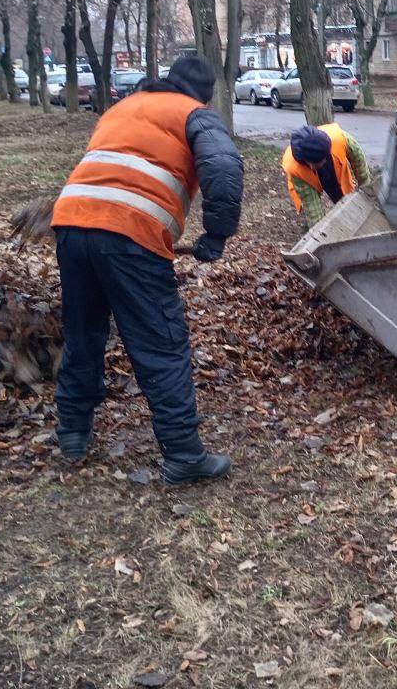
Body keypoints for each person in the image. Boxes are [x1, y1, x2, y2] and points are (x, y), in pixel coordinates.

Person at [50, 57, 244, 485]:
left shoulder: (124, 106)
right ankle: (183, 456)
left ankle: (72, 433)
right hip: (129, 234)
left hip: (71, 222)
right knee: (160, 341)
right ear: (204, 93)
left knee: (83, 332)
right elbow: (225, 168)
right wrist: (216, 235)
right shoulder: (194, 114)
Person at [282, 123, 371, 228]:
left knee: (344, 198)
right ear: (308, 162)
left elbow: (359, 162)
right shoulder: (294, 169)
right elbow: (312, 209)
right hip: (305, 177)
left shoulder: (340, 139)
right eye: (317, 163)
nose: (322, 163)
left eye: (323, 160)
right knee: (314, 219)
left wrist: (367, 188)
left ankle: (352, 221)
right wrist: (319, 233)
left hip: (332, 165)